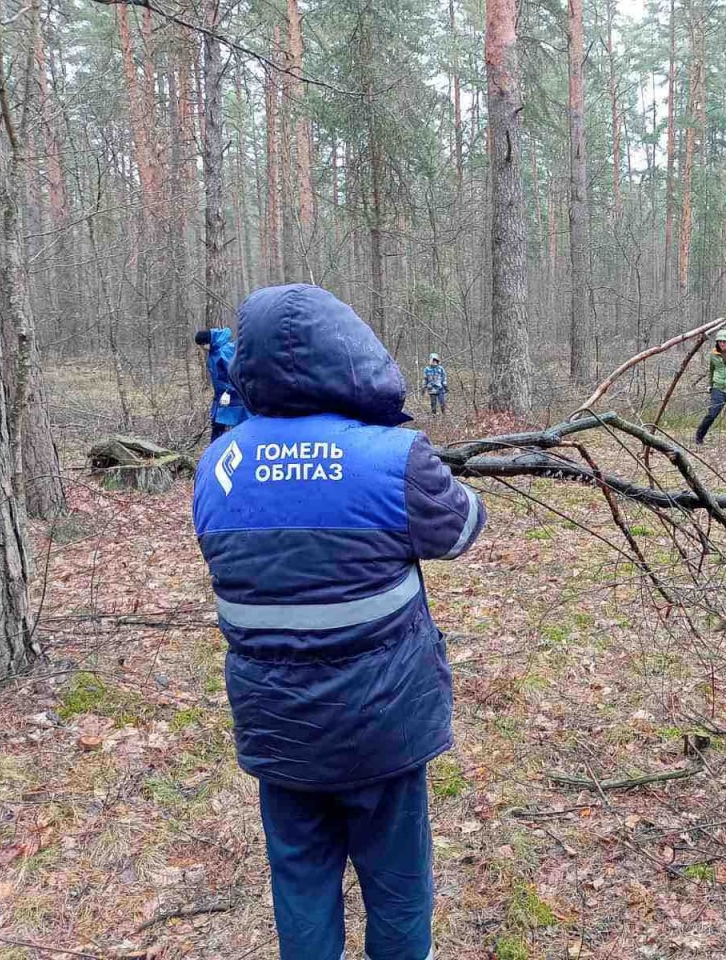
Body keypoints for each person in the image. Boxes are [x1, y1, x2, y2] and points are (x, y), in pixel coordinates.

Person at [193, 284, 486, 960]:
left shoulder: (219, 466)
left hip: (279, 730)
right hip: (384, 729)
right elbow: (465, 527)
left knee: (300, 886)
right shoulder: (394, 459)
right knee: (399, 887)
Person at [195, 328, 250, 440]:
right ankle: (215, 450)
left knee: (238, 424)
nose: (202, 348)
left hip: (233, 395)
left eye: (202, 344)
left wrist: (228, 391)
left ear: (208, 341)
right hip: (221, 395)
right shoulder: (214, 351)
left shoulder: (224, 351)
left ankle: (241, 447)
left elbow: (235, 374)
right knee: (217, 424)